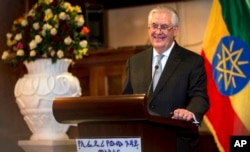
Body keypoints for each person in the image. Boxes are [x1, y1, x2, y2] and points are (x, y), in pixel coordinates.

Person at [122, 5, 209, 152]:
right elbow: (127, 99)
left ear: (175, 30)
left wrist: (190, 112)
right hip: (143, 143)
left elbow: (199, 96)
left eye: (164, 27)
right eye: (154, 26)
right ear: (148, 28)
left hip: (177, 142)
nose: (158, 31)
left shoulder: (192, 61)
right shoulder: (134, 61)